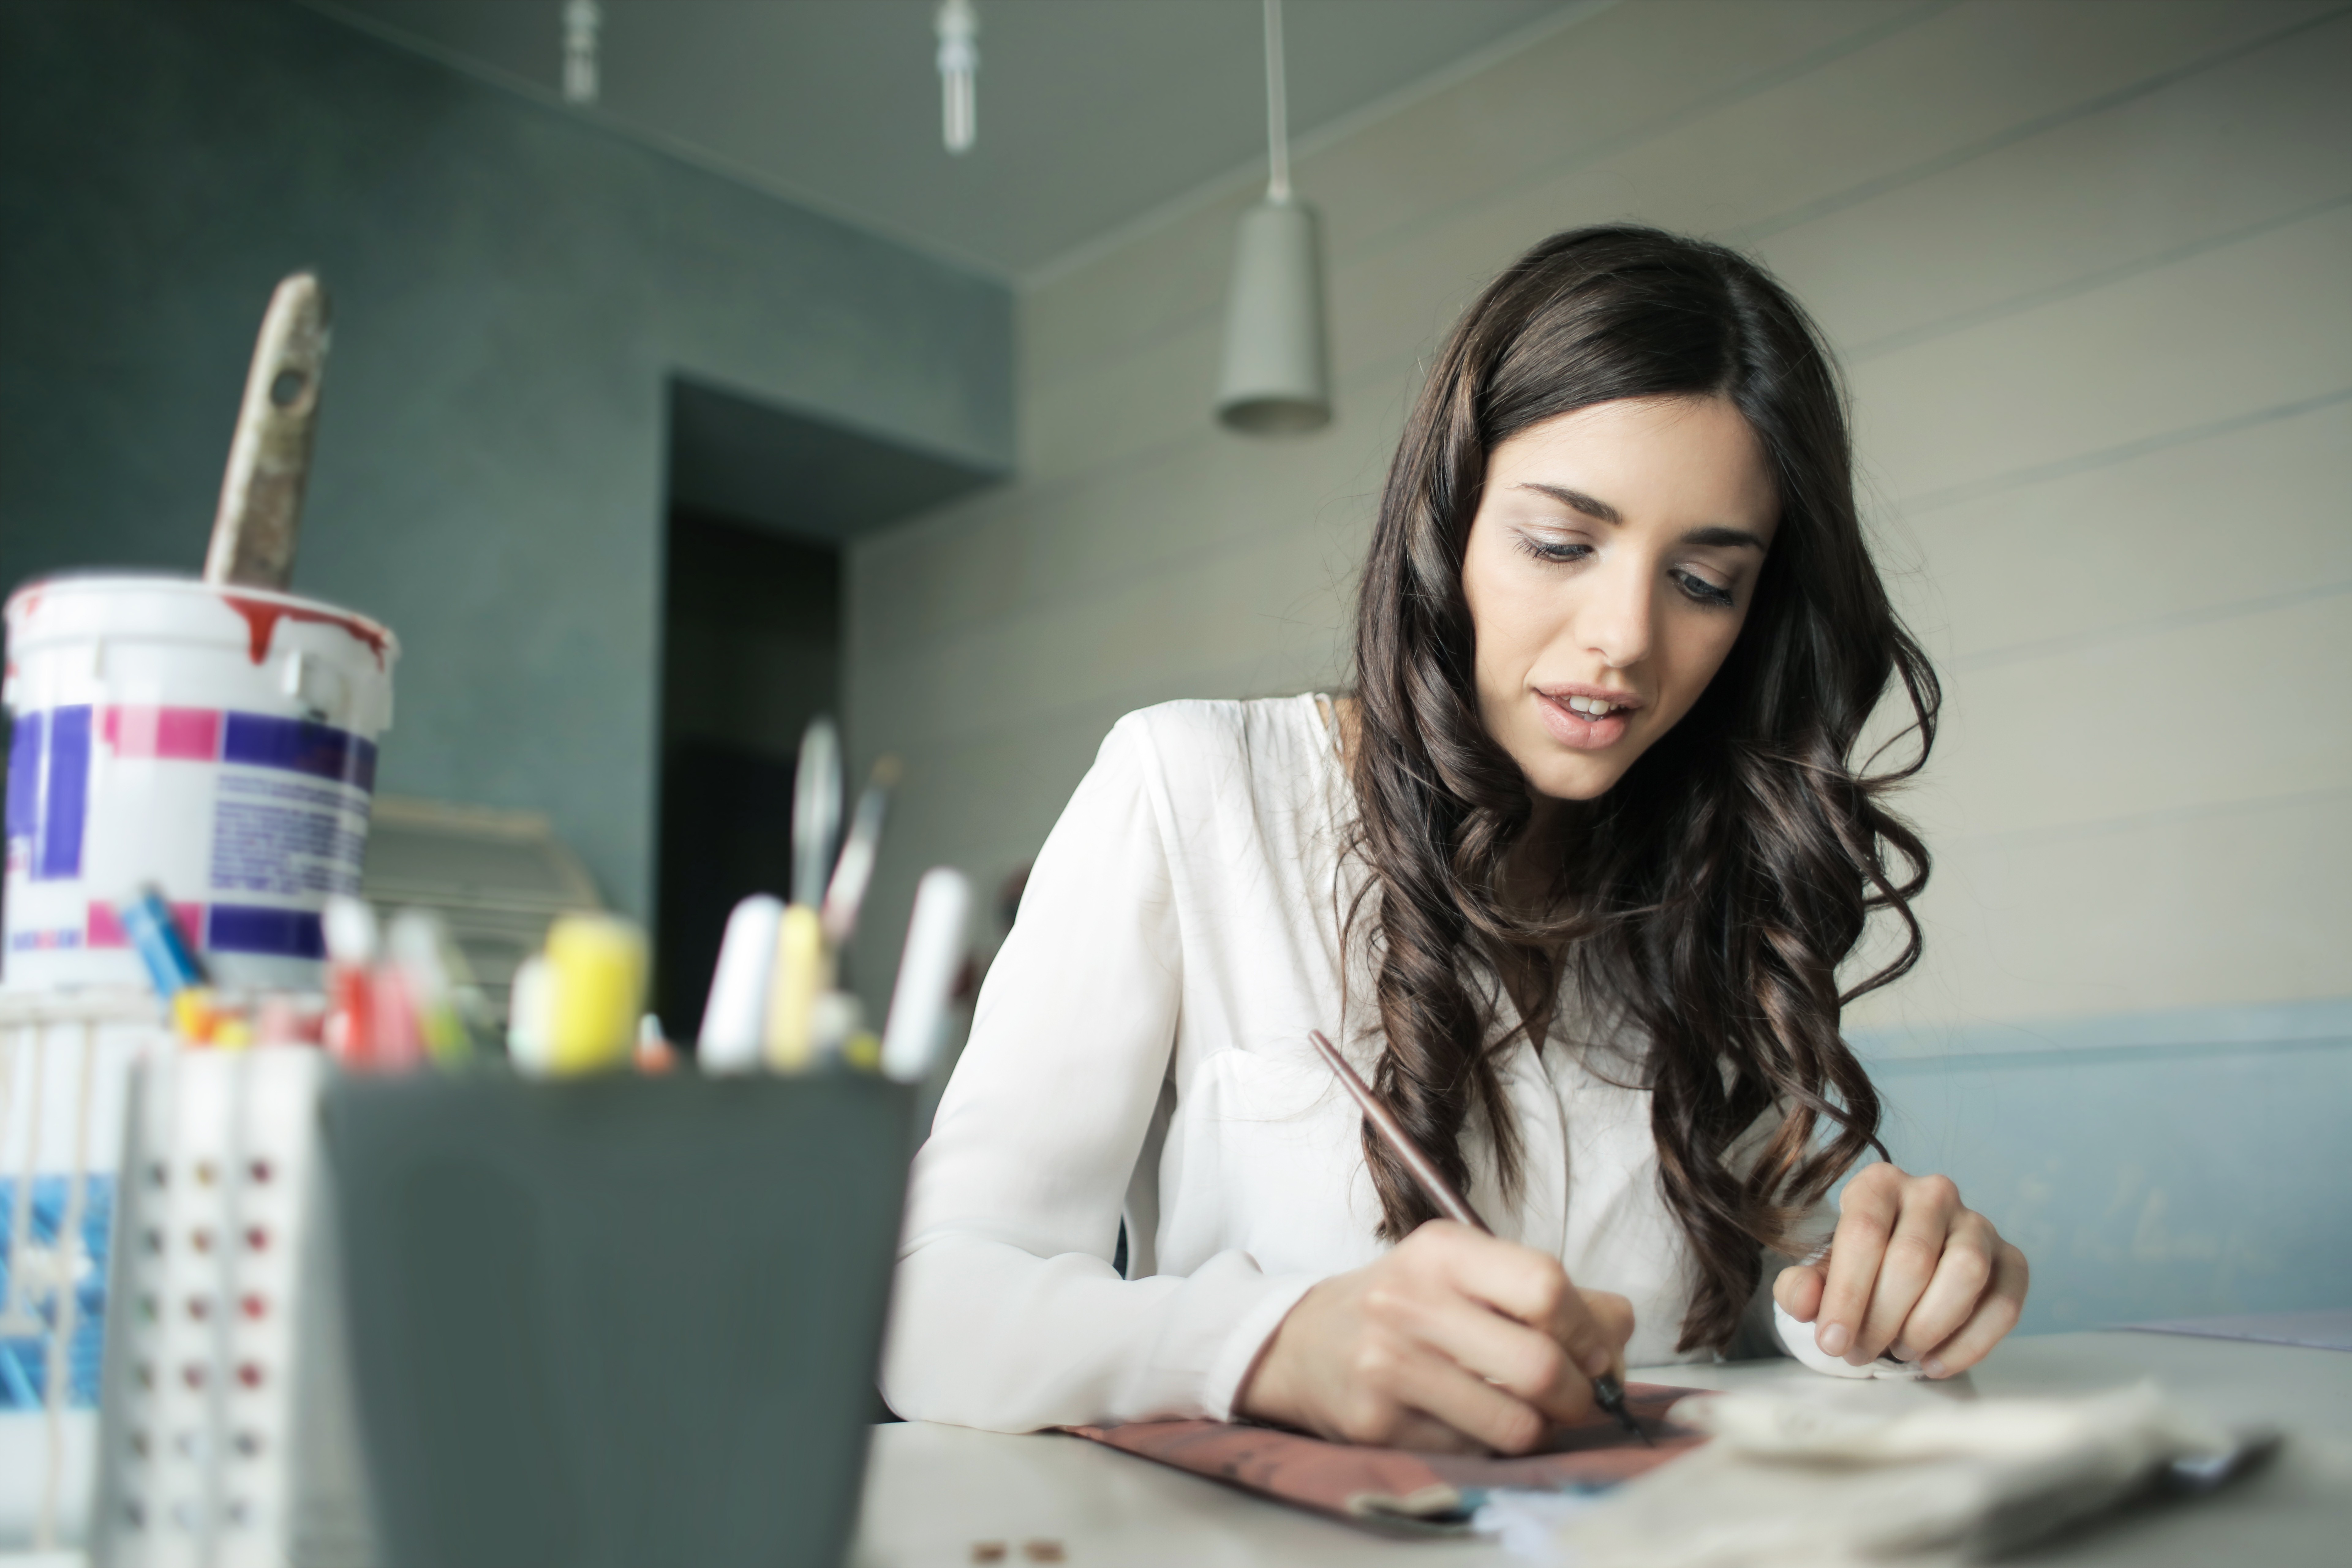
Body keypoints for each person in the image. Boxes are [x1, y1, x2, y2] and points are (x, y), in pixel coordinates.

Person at [880, 226, 2029, 1455]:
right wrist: (1271, 1344)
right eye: (1561, 544)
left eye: (1703, 580)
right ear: (1449, 523)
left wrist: (1883, 1298)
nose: (1624, 639)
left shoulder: (1714, 878)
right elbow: (929, 1303)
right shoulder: (1196, 785)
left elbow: (1752, 1329)